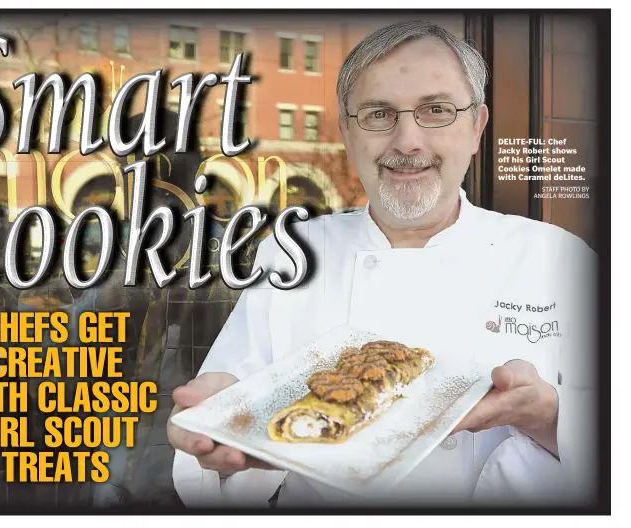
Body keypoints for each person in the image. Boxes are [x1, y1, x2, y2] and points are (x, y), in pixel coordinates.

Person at [167, 21, 598, 508]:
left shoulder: (560, 258)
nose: (407, 141)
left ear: (476, 128)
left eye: (436, 110)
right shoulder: (292, 252)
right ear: (348, 132)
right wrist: (223, 424)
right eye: (378, 114)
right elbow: (224, 450)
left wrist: (546, 417)